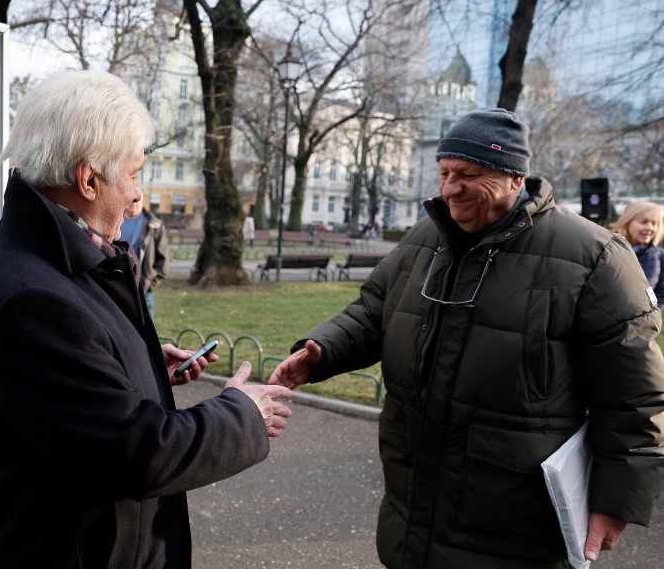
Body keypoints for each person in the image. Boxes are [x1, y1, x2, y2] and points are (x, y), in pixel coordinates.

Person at [270, 108, 664, 568]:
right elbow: (375, 309)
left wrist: (616, 501)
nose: (449, 188)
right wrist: (320, 350)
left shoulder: (594, 256)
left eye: (469, 175)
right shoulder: (425, 237)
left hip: (516, 520)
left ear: (516, 178)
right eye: (444, 172)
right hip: (413, 504)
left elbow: (635, 397)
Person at [0, 69, 293, 569]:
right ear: (87, 179)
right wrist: (243, 414)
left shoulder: (52, 261)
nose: (139, 196)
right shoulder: (33, 298)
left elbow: (72, 393)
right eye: (133, 174)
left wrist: (140, 366)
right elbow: (132, 450)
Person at [609, 200, 664, 309]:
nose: (650, 228)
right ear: (627, 222)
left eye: (654, 223)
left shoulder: (659, 254)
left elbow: (661, 294)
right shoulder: (610, 250)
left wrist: (652, 314)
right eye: (643, 222)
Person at [121, 196, 169, 318]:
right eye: (130, 198)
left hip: (144, 289)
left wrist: (150, 284)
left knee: (145, 332)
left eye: (137, 199)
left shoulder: (155, 225)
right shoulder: (115, 219)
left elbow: (162, 259)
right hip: (118, 286)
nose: (134, 202)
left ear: (143, 200)